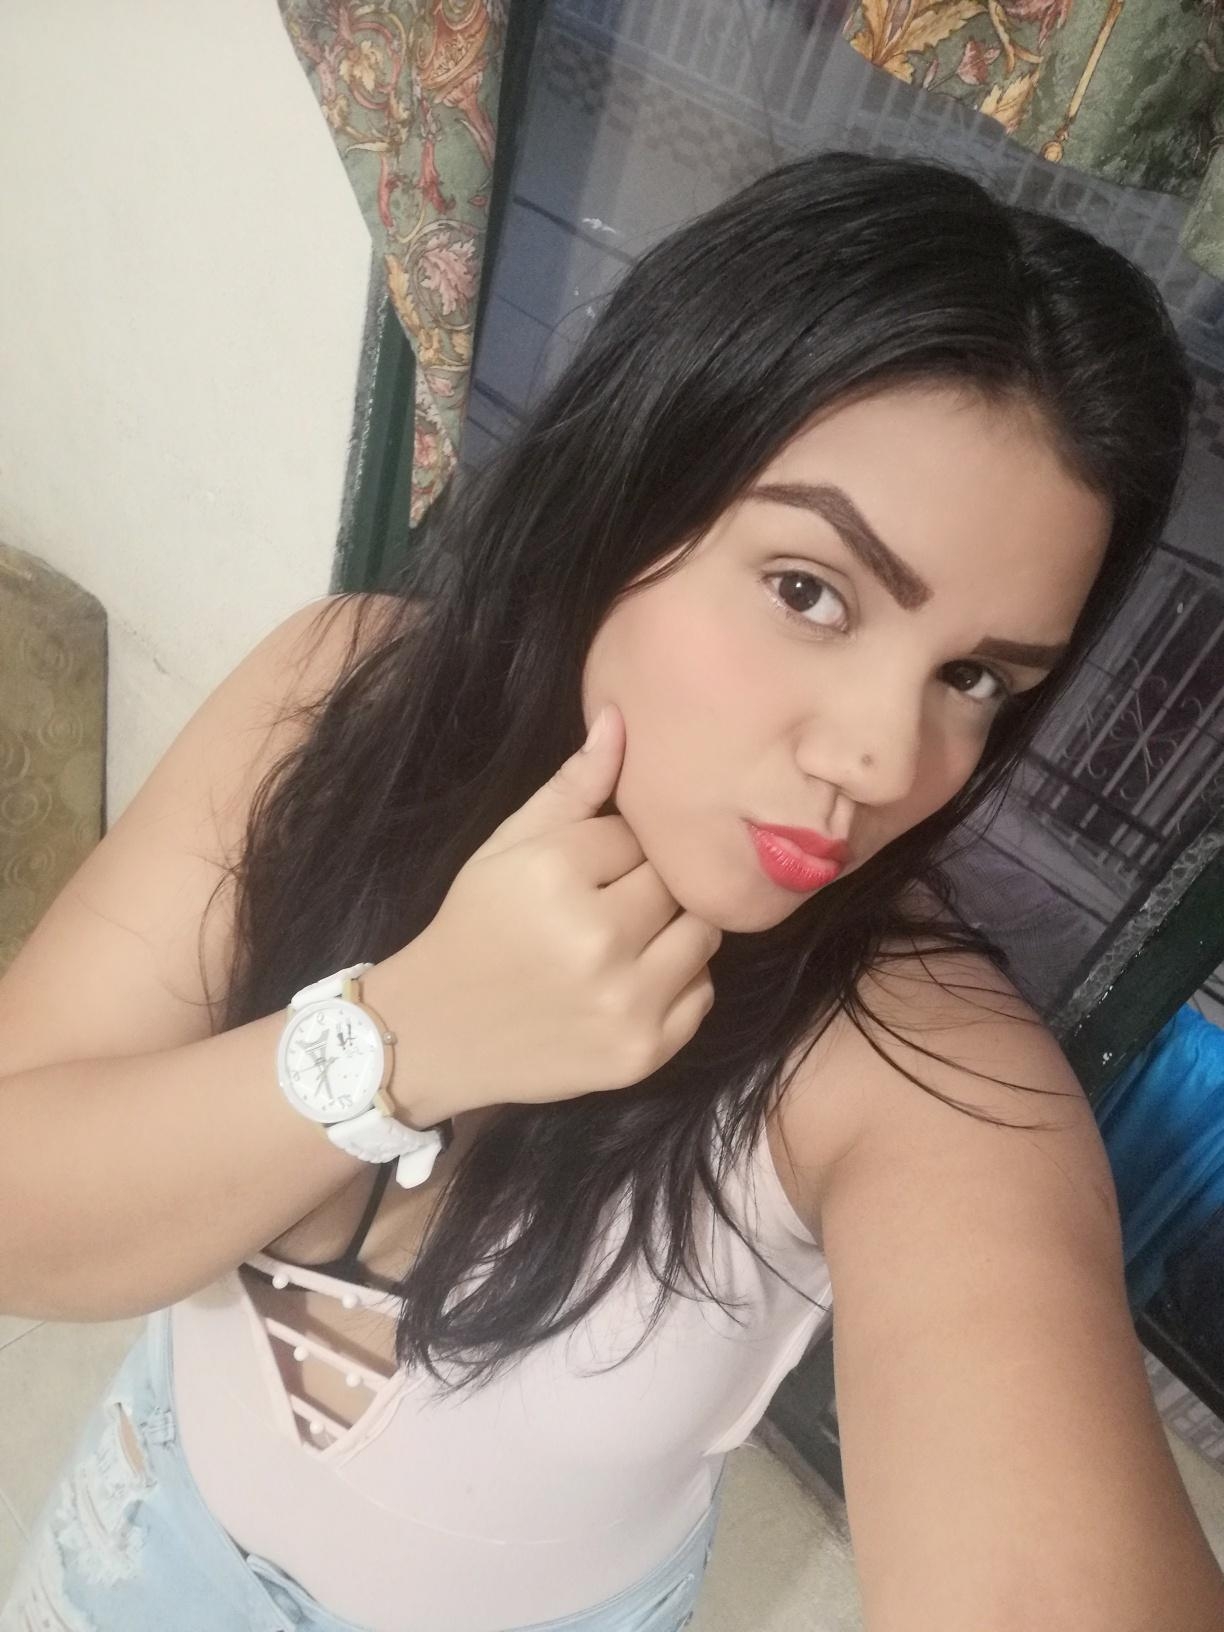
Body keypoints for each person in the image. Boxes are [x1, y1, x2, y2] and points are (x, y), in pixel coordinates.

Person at [1, 150, 1222, 1632]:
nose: (882, 757)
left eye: (973, 678)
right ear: (631, 492)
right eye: (810, 591)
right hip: (141, 1537)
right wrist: (402, 1040)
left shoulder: (917, 1065)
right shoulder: (337, 703)